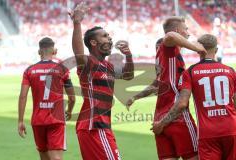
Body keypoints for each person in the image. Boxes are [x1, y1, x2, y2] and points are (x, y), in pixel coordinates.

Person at [126, 16, 207, 160]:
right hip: (176, 114)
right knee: (194, 157)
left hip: (159, 117)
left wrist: (135, 96)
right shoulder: (169, 48)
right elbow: (169, 36)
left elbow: (157, 83)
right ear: (178, 31)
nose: (188, 32)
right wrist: (197, 49)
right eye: (186, 29)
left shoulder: (163, 59)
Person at [152, 34, 236, 160]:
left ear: (198, 49)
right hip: (231, 130)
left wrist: (162, 123)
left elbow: (182, 103)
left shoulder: (191, 72)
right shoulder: (230, 71)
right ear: (216, 50)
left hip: (208, 134)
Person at [69, 2, 134, 160]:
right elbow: (78, 53)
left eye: (109, 36)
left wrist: (129, 55)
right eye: (105, 36)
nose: (110, 39)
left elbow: (128, 76)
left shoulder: (108, 66)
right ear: (93, 43)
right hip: (94, 127)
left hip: (99, 127)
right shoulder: (88, 63)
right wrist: (77, 22)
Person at [18, 37, 75, 160]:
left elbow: (23, 96)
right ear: (54, 51)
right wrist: (69, 110)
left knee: (44, 157)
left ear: (39, 52)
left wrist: (20, 120)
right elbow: (72, 97)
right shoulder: (62, 69)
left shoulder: (29, 70)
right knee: (56, 158)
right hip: (56, 120)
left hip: (38, 120)